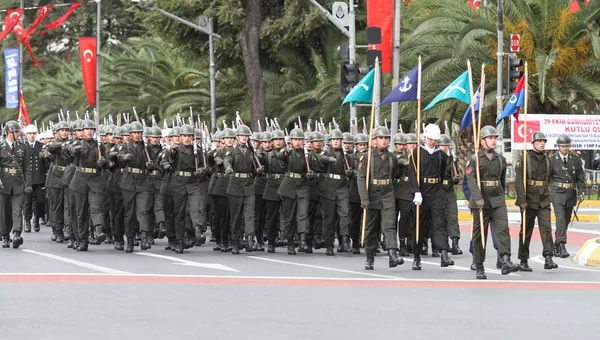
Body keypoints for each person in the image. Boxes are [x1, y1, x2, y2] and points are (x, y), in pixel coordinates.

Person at [466, 126, 520, 279]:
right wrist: (478, 198)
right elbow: (471, 180)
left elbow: (501, 181)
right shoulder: (474, 159)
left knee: (503, 230)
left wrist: (500, 195)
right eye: (490, 138)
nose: (494, 140)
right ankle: (479, 265)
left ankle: (505, 260)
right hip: (480, 200)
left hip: (497, 199)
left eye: (495, 138)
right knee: (479, 234)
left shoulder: (500, 159)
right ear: (482, 141)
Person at [408, 124, 454, 270]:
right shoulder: (416, 153)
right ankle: (416, 257)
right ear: (425, 137)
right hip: (421, 192)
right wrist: (416, 191)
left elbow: (442, 174)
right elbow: (411, 174)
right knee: (419, 225)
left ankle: (444, 254)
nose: (433, 142)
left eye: (435, 139)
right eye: (431, 139)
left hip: (436, 192)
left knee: (440, 223)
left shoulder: (441, 155)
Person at [357, 126, 404, 270]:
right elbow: (361, 178)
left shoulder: (392, 158)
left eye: (386, 138)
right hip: (372, 194)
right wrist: (364, 198)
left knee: (389, 225)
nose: (384, 141)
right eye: (381, 138)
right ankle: (370, 257)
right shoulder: (367, 157)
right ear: (375, 140)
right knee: (371, 228)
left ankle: (392, 254)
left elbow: (395, 174)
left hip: (388, 193)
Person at [515, 131, 558, 271]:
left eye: (544, 141)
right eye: (539, 141)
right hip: (529, 198)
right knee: (526, 231)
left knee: (546, 228)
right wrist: (522, 200)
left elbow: (551, 177)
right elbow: (519, 181)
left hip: (543, 199)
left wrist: (550, 192)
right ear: (533, 143)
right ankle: (523, 259)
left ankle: (548, 257)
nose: (542, 143)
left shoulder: (548, 160)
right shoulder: (524, 158)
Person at [66, 119, 108, 251]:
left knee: (96, 206)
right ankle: (82, 239)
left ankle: (99, 228)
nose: (89, 131)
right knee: (81, 211)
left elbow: (107, 163)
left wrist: (103, 163)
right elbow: (67, 153)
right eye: (87, 129)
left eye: (91, 129)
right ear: (82, 132)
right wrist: (74, 150)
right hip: (80, 179)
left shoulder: (99, 146)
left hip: (95, 179)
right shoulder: (77, 144)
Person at [118, 121, 155, 253]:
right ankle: (130, 239)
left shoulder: (147, 148)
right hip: (128, 182)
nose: (137, 135)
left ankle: (144, 236)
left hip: (143, 182)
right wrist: (124, 158)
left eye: (139, 133)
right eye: (134, 133)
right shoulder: (124, 146)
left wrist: (151, 166)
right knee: (129, 213)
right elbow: (118, 159)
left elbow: (153, 163)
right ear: (130, 134)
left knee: (143, 210)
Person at [549, 134, 585, 258]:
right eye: (562, 146)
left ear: (569, 146)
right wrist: (549, 192)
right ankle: (562, 244)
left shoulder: (575, 159)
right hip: (557, 192)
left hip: (570, 193)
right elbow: (548, 177)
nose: (564, 148)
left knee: (566, 219)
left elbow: (580, 178)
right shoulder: (552, 159)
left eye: (567, 146)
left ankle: (556, 244)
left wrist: (581, 191)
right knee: (560, 218)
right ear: (558, 146)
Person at [224, 125, 258, 254]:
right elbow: (227, 161)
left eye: (246, 136)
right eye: (242, 136)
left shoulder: (251, 151)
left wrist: (258, 170)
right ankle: (235, 242)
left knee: (250, 214)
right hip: (235, 186)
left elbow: (254, 167)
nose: (244, 138)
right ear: (237, 137)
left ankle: (249, 238)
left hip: (248, 186)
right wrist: (228, 168)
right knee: (236, 216)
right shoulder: (232, 151)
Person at [277, 128, 311, 255]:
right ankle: (290, 242)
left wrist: (311, 174)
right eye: (295, 139)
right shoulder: (287, 152)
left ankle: (303, 240)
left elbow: (314, 165)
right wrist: (286, 151)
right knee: (289, 216)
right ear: (291, 141)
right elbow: (281, 157)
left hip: (303, 186)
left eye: (300, 140)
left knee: (303, 214)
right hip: (289, 186)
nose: (297, 142)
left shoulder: (307, 154)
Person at [0, 121, 31, 249]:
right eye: (16, 131)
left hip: (19, 183)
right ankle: (5, 236)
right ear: (9, 132)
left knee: (18, 210)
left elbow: (27, 168)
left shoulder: (22, 147)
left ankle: (17, 234)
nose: (18, 134)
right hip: (4, 183)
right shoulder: (1, 147)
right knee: (4, 211)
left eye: (19, 131)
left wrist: (28, 184)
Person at [437, 134, 462, 255]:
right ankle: (442, 245)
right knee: (440, 219)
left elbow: (457, 174)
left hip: (450, 191)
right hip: (439, 191)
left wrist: (456, 178)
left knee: (453, 218)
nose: (444, 148)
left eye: (446, 145)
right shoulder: (435, 158)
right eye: (442, 145)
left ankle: (455, 244)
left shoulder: (452, 159)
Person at [23, 124, 48, 233]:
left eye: (33, 133)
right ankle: (27, 220)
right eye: (29, 133)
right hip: (28, 178)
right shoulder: (23, 146)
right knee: (28, 202)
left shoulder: (41, 146)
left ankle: (36, 219)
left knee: (40, 201)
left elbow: (45, 163)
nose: (32, 135)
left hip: (39, 177)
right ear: (26, 134)